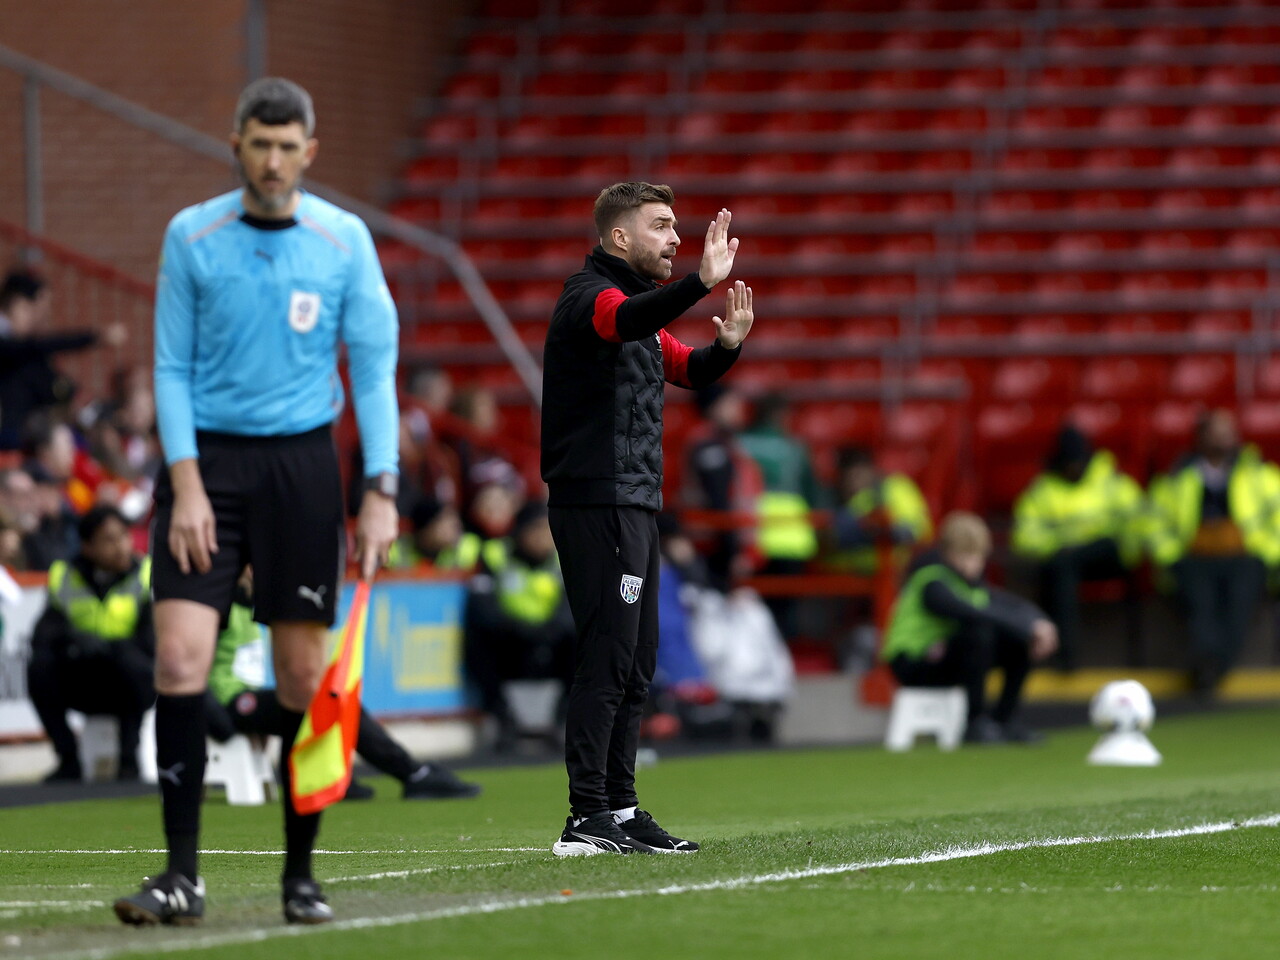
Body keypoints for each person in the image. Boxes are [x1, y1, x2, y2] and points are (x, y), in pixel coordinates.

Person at [112, 77, 399, 928]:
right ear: (235, 142)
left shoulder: (344, 241)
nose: (272, 160)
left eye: (287, 146)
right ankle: (180, 877)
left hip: (305, 472)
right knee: (178, 662)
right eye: (259, 143)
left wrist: (380, 489)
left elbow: (374, 371)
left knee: (304, 677)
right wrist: (187, 481)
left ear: (310, 152)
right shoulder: (192, 235)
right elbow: (169, 367)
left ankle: (300, 876)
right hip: (211, 470)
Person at [541, 181, 752, 855]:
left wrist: (729, 347)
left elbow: (688, 370)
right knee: (607, 656)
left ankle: (623, 810)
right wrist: (698, 283)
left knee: (637, 662)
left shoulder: (638, 314)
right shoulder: (590, 298)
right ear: (619, 237)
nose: (675, 237)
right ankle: (585, 815)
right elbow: (620, 322)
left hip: (634, 499)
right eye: (661, 226)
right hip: (596, 498)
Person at [204, 570, 480, 801]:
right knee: (322, 702)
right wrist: (213, 716)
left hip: (244, 695)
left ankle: (338, 776)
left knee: (332, 699)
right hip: (229, 700)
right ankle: (411, 773)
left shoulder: (251, 604)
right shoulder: (221, 604)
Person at [881, 512, 1059, 744]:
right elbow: (967, 611)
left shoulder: (971, 586)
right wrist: (1027, 628)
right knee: (979, 631)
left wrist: (1038, 623)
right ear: (947, 554)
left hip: (945, 657)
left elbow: (1009, 604)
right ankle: (974, 722)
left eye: (978, 556)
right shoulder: (931, 581)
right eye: (965, 555)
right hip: (913, 662)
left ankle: (1004, 720)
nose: (973, 563)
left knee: (1017, 643)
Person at [1147, 409, 1280, 694]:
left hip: (1245, 557)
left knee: (1238, 609)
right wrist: (1173, 556)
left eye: (1228, 431)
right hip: (1195, 558)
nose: (1223, 438)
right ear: (1199, 437)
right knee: (1201, 609)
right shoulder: (1177, 476)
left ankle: (1213, 668)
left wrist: (1265, 553)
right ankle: (1205, 666)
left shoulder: (1258, 473)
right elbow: (1155, 521)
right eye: (1215, 432)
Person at [26, 505, 154, 781]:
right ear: (87, 546)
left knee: (131, 663)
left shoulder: (147, 574)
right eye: (109, 540)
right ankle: (68, 760)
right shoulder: (64, 575)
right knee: (40, 668)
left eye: (123, 536)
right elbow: (44, 636)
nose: (121, 546)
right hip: (82, 677)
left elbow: (151, 641)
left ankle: (129, 761)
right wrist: (75, 641)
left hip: (129, 682)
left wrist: (110, 646)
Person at [1011, 425, 1145, 671]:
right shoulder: (1042, 490)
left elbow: (1138, 517)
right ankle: (1066, 656)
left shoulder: (1109, 481)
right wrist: (1059, 546)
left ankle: (1064, 654)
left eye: (1079, 462)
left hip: (1109, 556)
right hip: (1065, 560)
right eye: (1069, 463)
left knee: (1067, 563)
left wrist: (1129, 546)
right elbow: (1024, 537)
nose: (1075, 468)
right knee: (1061, 569)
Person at [464, 501, 575, 747]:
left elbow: (571, 607)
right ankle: (503, 716)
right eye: (536, 529)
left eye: (547, 530)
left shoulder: (562, 559)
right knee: (477, 640)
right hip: (510, 641)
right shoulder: (494, 555)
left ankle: (566, 717)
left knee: (584, 639)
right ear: (520, 531)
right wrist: (520, 630)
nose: (543, 537)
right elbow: (483, 608)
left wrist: (548, 632)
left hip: (552, 640)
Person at [0, 269, 124, 450]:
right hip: (12, 433)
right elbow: (38, 347)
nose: (39, 317)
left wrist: (74, 395)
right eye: (35, 309)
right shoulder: (13, 344)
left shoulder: (25, 353)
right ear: (18, 304)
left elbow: (46, 375)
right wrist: (95, 337)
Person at [684, 382, 763, 590]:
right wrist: (734, 553)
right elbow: (718, 500)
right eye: (730, 402)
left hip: (730, 545)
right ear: (714, 407)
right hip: (715, 550)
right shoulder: (708, 445)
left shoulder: (729, 443)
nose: (738, 407)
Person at [830, 446, 932, 574]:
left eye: (857, 474)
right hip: (856, 574)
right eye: (848, 477)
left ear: (871, 470)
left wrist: (886, 528)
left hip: (899, 569)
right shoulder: (848, 503)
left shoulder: (896, 487)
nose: (853, 482)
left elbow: (915, 530)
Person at [388, 496, 483, 572]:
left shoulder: (472, 548)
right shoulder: (394, 551)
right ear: (425, 529)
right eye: (446, 521)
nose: (456, 525)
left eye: (455, 520)